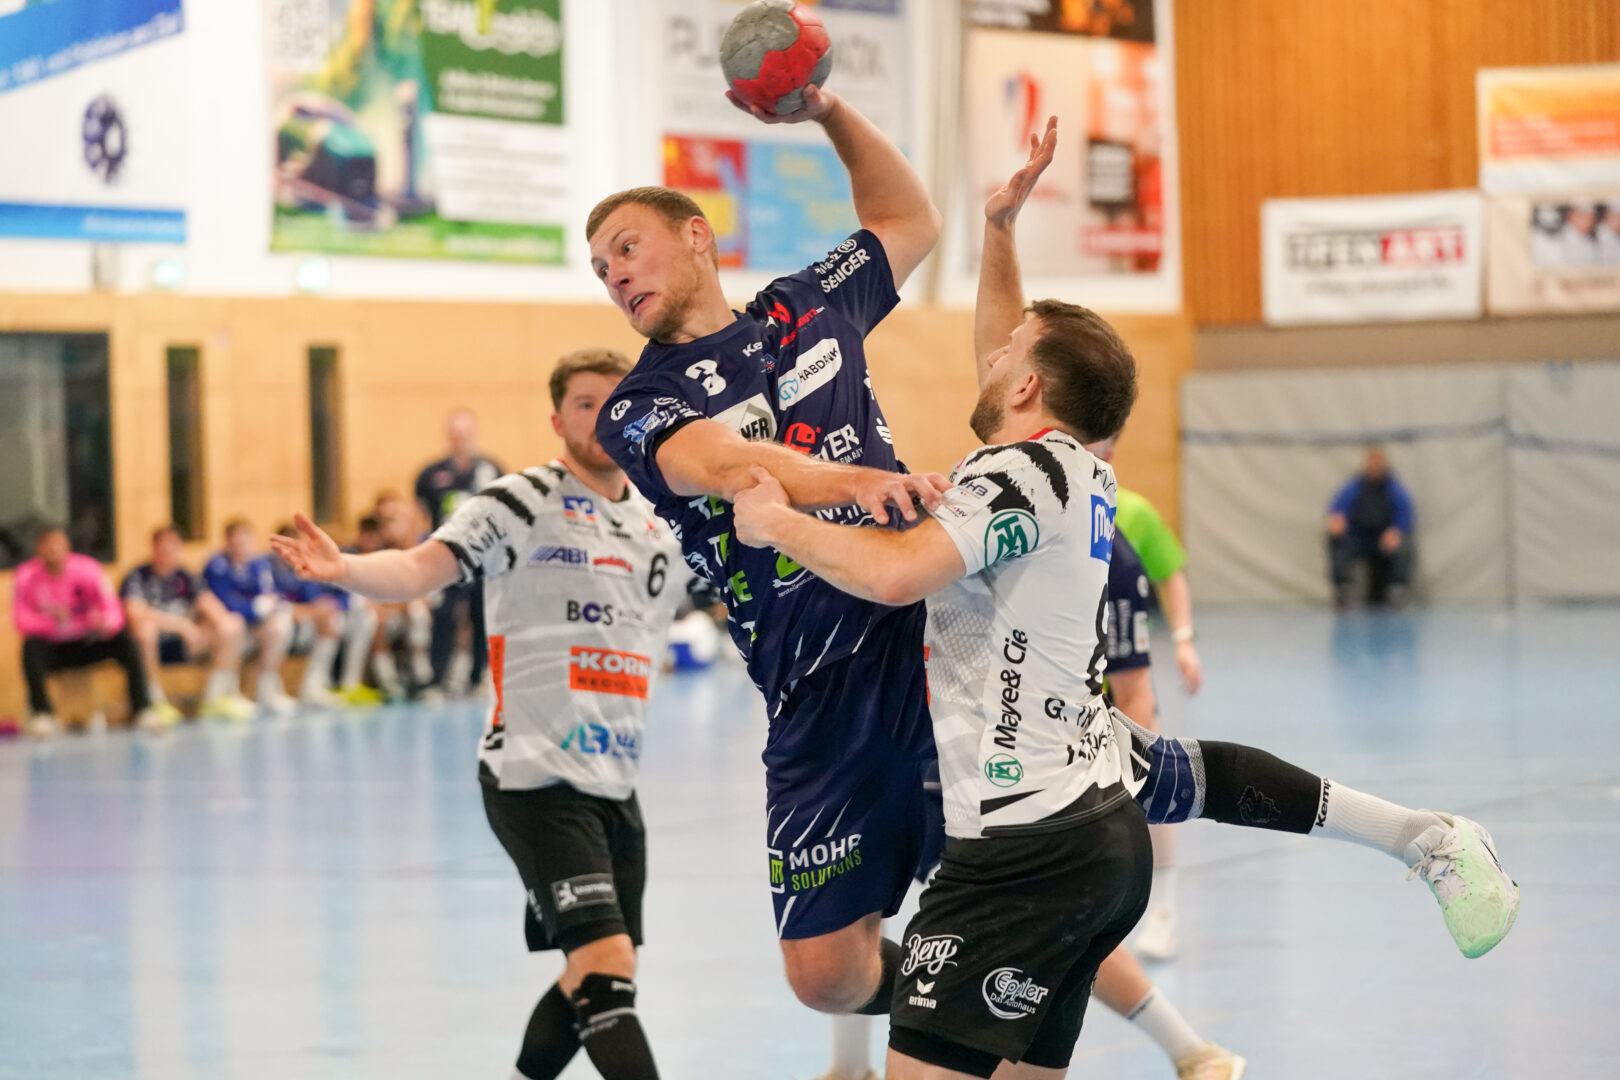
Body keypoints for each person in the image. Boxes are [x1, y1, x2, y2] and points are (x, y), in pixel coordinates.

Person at [728, 116, 1518, 1078]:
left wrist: (779, 523)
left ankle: (1421, 839)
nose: (993, 350)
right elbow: (1008, 359)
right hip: (1092, 836)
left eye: (1010, 350)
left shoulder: (1019, 476)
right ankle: (1420, 837)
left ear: (1028, 384)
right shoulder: (1073, 468)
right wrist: (1000, 234)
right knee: (1192, 773)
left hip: (1021, 851)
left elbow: (893, 575)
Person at [590, 78, 952, 1023]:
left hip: (923, 639)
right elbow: (723, 463)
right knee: (826, 977)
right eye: (600, 270)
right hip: (810, 694)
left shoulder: (806, 306)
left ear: (696, 236)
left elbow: (908, 220)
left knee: (1005, 869)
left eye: (626, 247)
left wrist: (827, 111)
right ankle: (951, 997)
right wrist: (852, 484)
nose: (615, 276)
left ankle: (1005, 1008)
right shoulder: (638, 404)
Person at [272, 349, 704, 1080]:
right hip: (534, 775)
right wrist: (344, 569)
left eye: (615, 402)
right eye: (585, 404)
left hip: (615, 779)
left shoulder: (663, 520)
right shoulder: (520, 501)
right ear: (557, 420)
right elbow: (420, 567)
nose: (602, 418)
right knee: (606, 966)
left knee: (597, 972)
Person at [1088, 443, 1200, 960]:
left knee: (1149, 781)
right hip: (1065, 684)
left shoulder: (1130, 513)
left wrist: (1183, 638)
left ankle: (1164, 912)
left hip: (1121, 672)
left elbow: (1170, 572)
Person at [13, 527, 163, 736]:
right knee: (30, 648)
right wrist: (53, 622)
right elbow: (21, 619)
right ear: (40, 549)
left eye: (58, 545)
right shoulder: (26, 576)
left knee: (126, 642)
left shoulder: (88, 569)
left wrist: (102, 623)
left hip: (88, 642)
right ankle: (43, 714)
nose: (54, 550)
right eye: (48, 546)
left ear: (67, 546)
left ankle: (143, 710)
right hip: (53, 645)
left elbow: (113, 609)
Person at [121, 525, 255, 722]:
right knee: (144, 631)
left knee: (232, 625)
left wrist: (222, 620)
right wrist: (180, 625)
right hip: (152, 645)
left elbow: (208, 603)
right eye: (163, 545)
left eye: (173, 545)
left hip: (186, 645)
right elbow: (134, 612)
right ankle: (153, 701)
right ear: (154, 547)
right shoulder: (138, 576)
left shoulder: (186, 576)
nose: (168, 550)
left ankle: (216, 697)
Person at [415, 408, 504, 697]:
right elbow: (421, 515)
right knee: (443, 615)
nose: (460, 438)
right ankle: (436, 680)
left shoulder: (492, 469)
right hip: (445, 556)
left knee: (482, 614)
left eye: (464, 433)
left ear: (474, 434)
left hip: (484, 557)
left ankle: (479, 677)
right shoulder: (430, 474)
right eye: (454, 433)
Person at [271, 524, 379, 707]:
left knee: (362, 617)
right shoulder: (267, 568)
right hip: (283, 624)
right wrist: (302, 610)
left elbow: (326, 599)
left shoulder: (308, 566)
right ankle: (275, 689)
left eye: (294, 545)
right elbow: (271, 602)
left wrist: (324, 608)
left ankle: (333, 684)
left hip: (310, 622)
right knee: (281, 625)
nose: (290, 552)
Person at [203, 520, 297, 713]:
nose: (241, 545)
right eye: (236, 540)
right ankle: (220, 696)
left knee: (280, 625)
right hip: (223, 629)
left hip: (252, 627)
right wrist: (253, 609)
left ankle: (266, 689)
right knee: (233, 625)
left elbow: (269, 598)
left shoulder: (259, 565)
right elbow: (226, 603)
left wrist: (263, 608)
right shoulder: (217, 565)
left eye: (245, 540)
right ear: (227, 542)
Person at [1327, 446, 1415, 609]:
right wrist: (1337, 520)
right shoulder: (1354, 486)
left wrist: (1396, 530)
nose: (1375, 465)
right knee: (1337, 540)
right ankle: (1343, 590)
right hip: (1358, 539)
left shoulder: (1394, 488)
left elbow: (1405, 514)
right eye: (1372, 461)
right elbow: (1338, 509)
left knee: (1404, 544)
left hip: (1383, 540)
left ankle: (1397, 590)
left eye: (1378, 461)